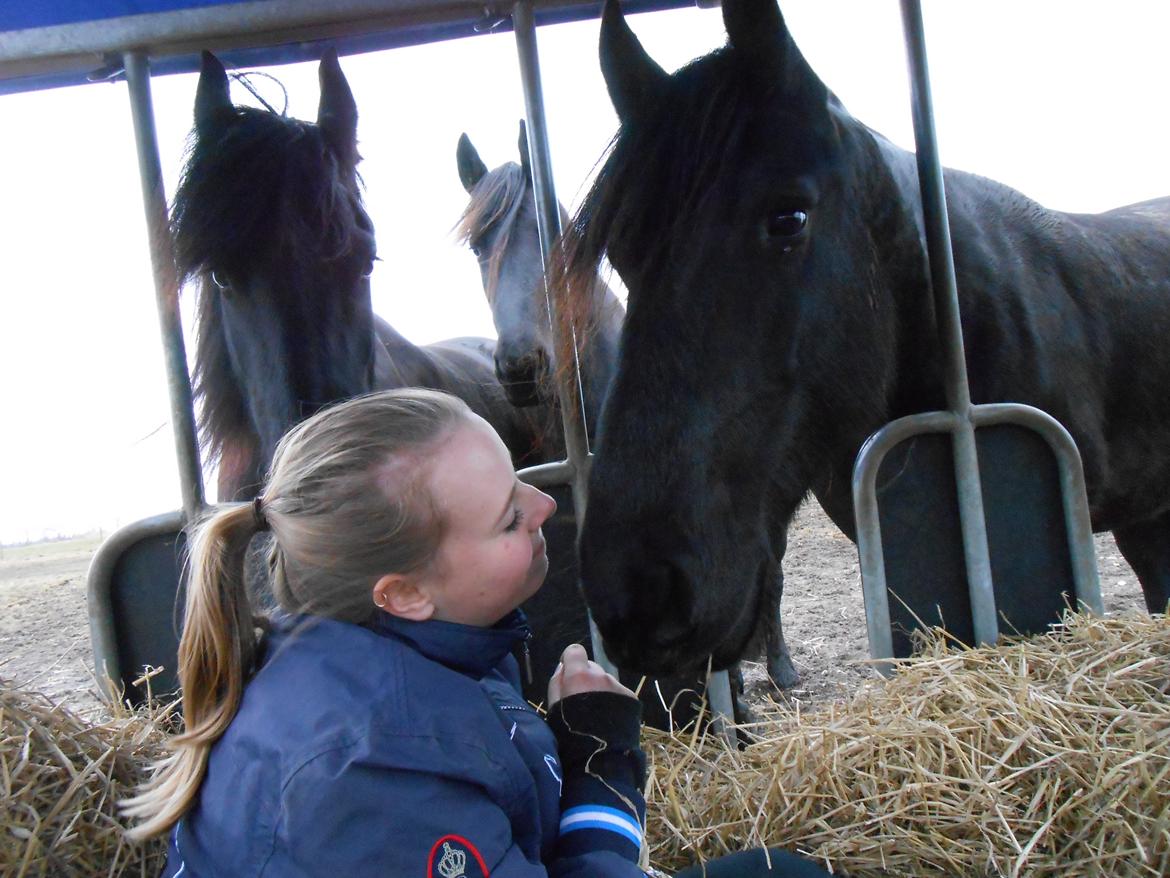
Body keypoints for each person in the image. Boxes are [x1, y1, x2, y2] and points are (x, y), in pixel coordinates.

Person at [124, 387, 832, 876]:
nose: (543, 504)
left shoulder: (403, 648)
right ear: (404, 593)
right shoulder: (370, 774)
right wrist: (601, 764)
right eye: (505, 519)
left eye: (520, 478)